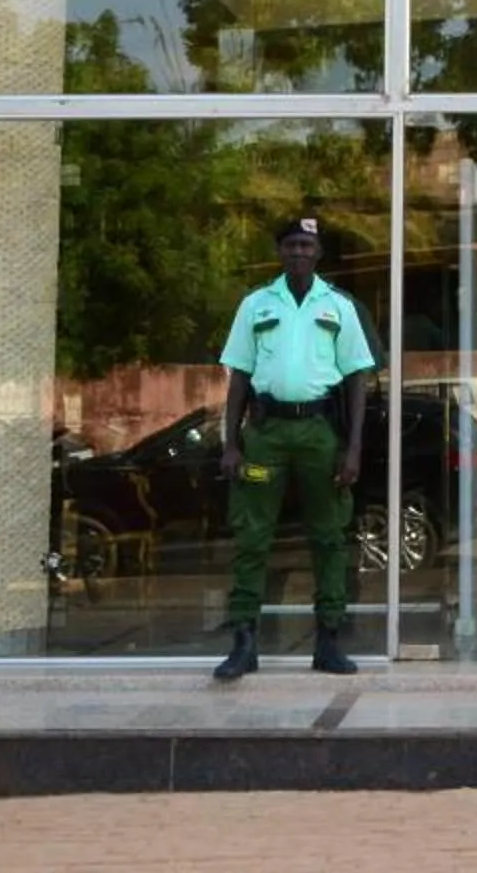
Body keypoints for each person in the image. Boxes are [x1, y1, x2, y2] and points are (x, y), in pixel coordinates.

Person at [211, 216, 375, 682]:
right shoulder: (256, 304)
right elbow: (239, 376)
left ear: (318, 252)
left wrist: (354, 449)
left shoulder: (339, 306)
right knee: (252, 535)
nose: (299, 252)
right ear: (280, 251)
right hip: (265, 433)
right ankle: (244, 641)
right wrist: (231, 443)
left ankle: (328, 640)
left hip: (319, 433)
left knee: (328, 536)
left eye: (307, 245)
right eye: (290, 245)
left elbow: (357, 380)